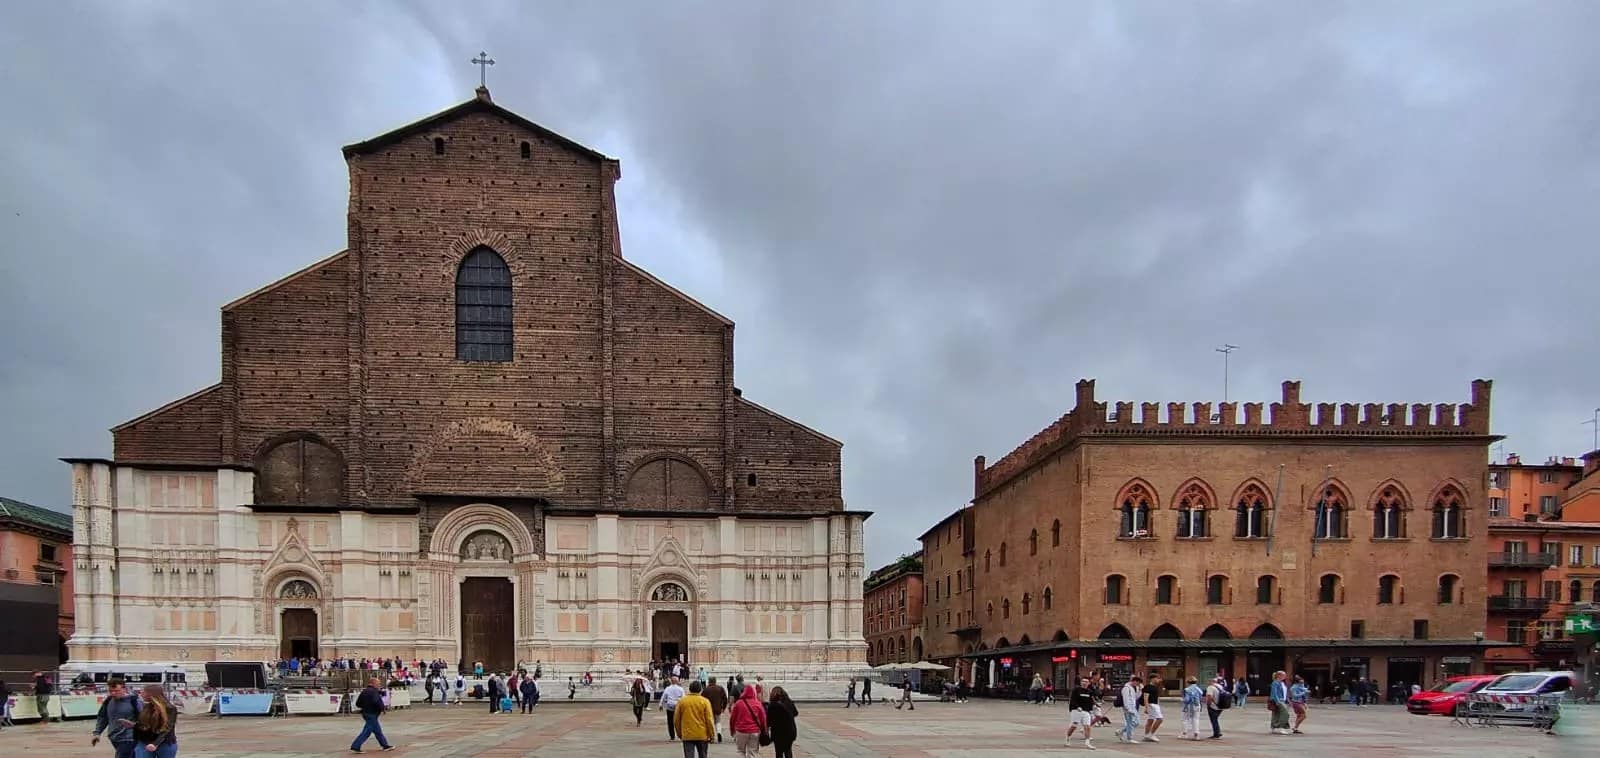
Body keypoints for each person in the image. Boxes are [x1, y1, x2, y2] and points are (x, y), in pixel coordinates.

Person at [91, 677, 142, 758]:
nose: (113, 693)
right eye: (110, 691)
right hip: (114, 737)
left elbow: (144, 719)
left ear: (124, 689)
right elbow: (103, 718)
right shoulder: (108, 701)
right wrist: (97, 733)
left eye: (116, 691)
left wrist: (134, 725)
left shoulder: (134, 701)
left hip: (129, 738)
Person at [130, 684, 178, 758]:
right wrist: (134, 725)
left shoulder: (169, 708)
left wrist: (155, 743)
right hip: (145, 742)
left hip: (164, 743)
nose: (141, 694)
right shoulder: (146, 707)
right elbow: (145, 725)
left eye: (144, 692)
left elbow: (167, 728)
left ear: (151, 694)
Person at [349, 677, 393, 753]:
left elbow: (358, 703)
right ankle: (355, 746)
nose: (379, 685)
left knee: (377, 731)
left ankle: (385, 745)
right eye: (378, 684)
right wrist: (382, 708)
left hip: (366, 713)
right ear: (373, 683)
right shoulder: (374, 692)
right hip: (372, 713)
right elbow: (377, 702)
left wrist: (365, 706)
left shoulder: (364, 691)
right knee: (367, 731)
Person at [674, 680, 716, 758]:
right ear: (700, 689)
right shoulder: (705, 701)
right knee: (703, 755)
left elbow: (676, 719)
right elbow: (709, 719)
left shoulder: (682, 701)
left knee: (689, 755)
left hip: (687, 734)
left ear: (690, 689)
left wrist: (679, 733)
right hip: (702, 734)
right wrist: (712, 735)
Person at [728, 681, 768, 758]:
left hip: (741, 731)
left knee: (740, 751)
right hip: (754, 731)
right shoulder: (758, 703)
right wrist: (764, 730)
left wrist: (732, 730)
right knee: (753, 752)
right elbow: (763, 719)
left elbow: (732, 718)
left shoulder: (738, 703)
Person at [1063, 676, 1097, 750]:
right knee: (1074, 726)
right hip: (1076, 711)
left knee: (1087, 726)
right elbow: (1072, 700)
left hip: (1086, 711)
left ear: (1088, 683)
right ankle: (1068, 738)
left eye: (1086, 682)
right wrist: (1077, 707)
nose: (1084, 683)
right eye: (1083, 681)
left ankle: (1087, 743)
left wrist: (1094, 706)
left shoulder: (1089, 691)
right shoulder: (1076, 690)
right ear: (1081, 682)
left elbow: (1091, 701)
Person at [767, 686, 799, 758]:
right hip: (790, 731)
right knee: (788, 750)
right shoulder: (789, 702)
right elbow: (796, 713)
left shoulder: (772, 705)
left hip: (778, 732)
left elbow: (768, 720)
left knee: (779, 752)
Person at [1117, 674, 1142, 743]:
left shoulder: (1133, 688)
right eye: (1138, 683)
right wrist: (1127, 708)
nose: (1138, 685)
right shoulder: (1126, 688)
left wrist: (1140, 690)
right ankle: (1129, 738)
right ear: (1135, 681)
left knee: (1136, 722)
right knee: (1130, 722)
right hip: (1128, 708)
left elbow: (1136, 697)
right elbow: (1125, 699)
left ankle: (1121, 731)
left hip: (1133, 707)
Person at [661, 675, 687, 741]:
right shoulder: (680, 689)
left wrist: (661, 704)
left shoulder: (668, 688)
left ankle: (672, 736)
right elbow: (684, 698)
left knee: (670, 722)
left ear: (671, 681)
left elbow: (663, 696)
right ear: (677, 681)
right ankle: (681, 735)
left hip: (669, 706)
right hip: (678, 706)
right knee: (680, 721)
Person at [704, 676, 728, 743]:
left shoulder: (706, 689)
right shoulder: (720, 688)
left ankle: (712, 736)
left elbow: (702, 699)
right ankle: (719, 732)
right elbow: (725, 699)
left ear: (709, 681)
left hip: (709, 709)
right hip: (718, 708)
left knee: (710, 722)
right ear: (715, 681)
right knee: (718, 721)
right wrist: (723, 707)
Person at [1141, 673, 1164, 742]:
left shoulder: (1155, 687)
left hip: (1155, 704)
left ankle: (1146, 735)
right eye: (1157, 678)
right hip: (1151, 705)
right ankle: (1151, 734)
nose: (1158, 680)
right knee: (1160, 719)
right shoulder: (1148, 687)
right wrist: (1146, 707)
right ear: (1153, 679)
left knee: (1150, 720)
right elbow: (1145, 697)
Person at [1180, 676, 1203, 740]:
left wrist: (1182, 700)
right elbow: (1200, 698)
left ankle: (1184, 734)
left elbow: (1187, 700)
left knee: (1185, 719)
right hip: (1197, 705)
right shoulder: (1199, 689)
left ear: (1188, 682)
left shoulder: (1187, 689)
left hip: (1189, 706)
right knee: (1196, 719)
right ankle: (1196, 734)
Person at [1268, 670, 1291, 735]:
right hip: (1278, 700)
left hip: (1282, 700)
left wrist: (1288, 700)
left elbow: (1284, 692)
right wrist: (1277, 701)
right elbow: (1274, 693)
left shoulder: (1282, 683)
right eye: (1284, 675)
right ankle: (1281, 728)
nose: (1285, 676)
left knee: (1276, 714)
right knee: (1285, 714)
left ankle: (1274, 728)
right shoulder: (1275, 683)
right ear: (1279, 675)